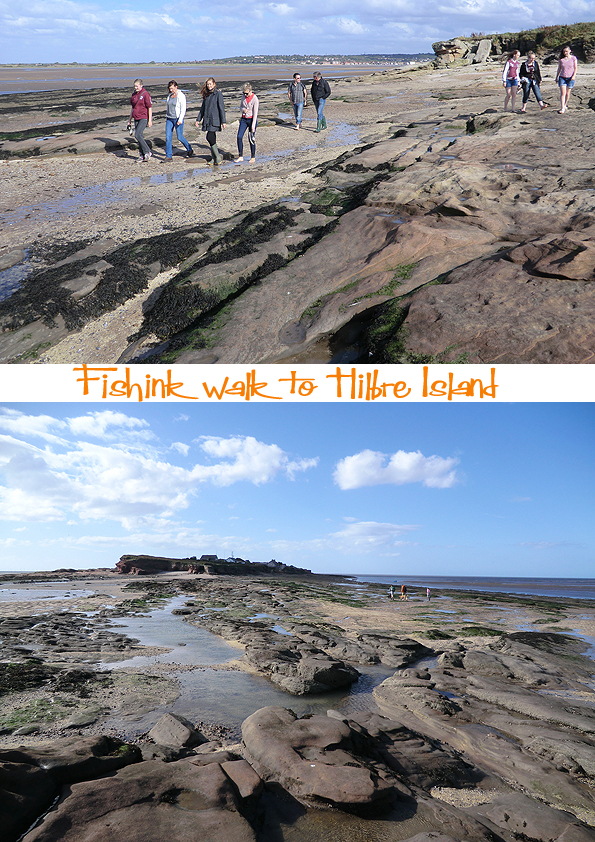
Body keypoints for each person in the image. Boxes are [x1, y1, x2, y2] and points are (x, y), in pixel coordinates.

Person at [196, 77, 226, 165]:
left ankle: (217, 157)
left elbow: (221, 108)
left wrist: (223, 121)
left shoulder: (218, 94)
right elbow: (202, 108)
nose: (209, 86)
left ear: (214, 84)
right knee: (212, 138)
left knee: (209, 137)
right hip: (207, 120)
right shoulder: (206, 94)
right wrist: (198, 119)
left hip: (215, 119)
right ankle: (213, 159)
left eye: (210, 84)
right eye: (208, 84)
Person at [164, 80, 194, 162]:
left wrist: (180, 119)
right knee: (168, 137)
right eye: (170, 89)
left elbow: (183, 108)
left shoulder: (181, 96)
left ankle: (189, 149)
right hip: (169, 118)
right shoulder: (169, 96)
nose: (171, 90)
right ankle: (169, 156)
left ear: (176, 87)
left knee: (179, 137)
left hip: (177, 119)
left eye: (172, 88)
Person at [128, 78, 153, 163]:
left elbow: (149, 107)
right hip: (136, 117)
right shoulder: (133, 95)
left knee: (137, 135)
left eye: (137, 86)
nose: (135, 88)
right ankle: (142, 156)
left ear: (141, 86)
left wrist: (150, 120)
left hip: (143, 117)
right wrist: (129, 120)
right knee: (140, 136)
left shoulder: (145, 94)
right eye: (134, 86)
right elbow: (133, 108)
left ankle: (147, 151)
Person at [235, 83, 259, 163]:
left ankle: (253, 157)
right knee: (239, 137)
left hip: (252, 119)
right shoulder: (243, 97)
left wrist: (253, 125)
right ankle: (240, 156)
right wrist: (243, 110)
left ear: (250, 91)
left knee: (251, 138)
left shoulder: (255, 99)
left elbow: (255, 113)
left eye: (247, 93)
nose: (245, 95)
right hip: (244, 119)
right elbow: (241, 106)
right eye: (244, 93)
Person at [555, 45, 578, 114]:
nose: (565, 52)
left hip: (570, 78)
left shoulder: (573, 58)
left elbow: (575, 68)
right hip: (562, 77)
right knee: (563, 93)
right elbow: (559, 69)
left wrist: (574, 76)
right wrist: (556, 77)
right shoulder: (561, 60)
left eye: (567, 51)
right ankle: (562, 108)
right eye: (564, 51)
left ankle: (565, 105)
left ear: (570, 51)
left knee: (568, 93)